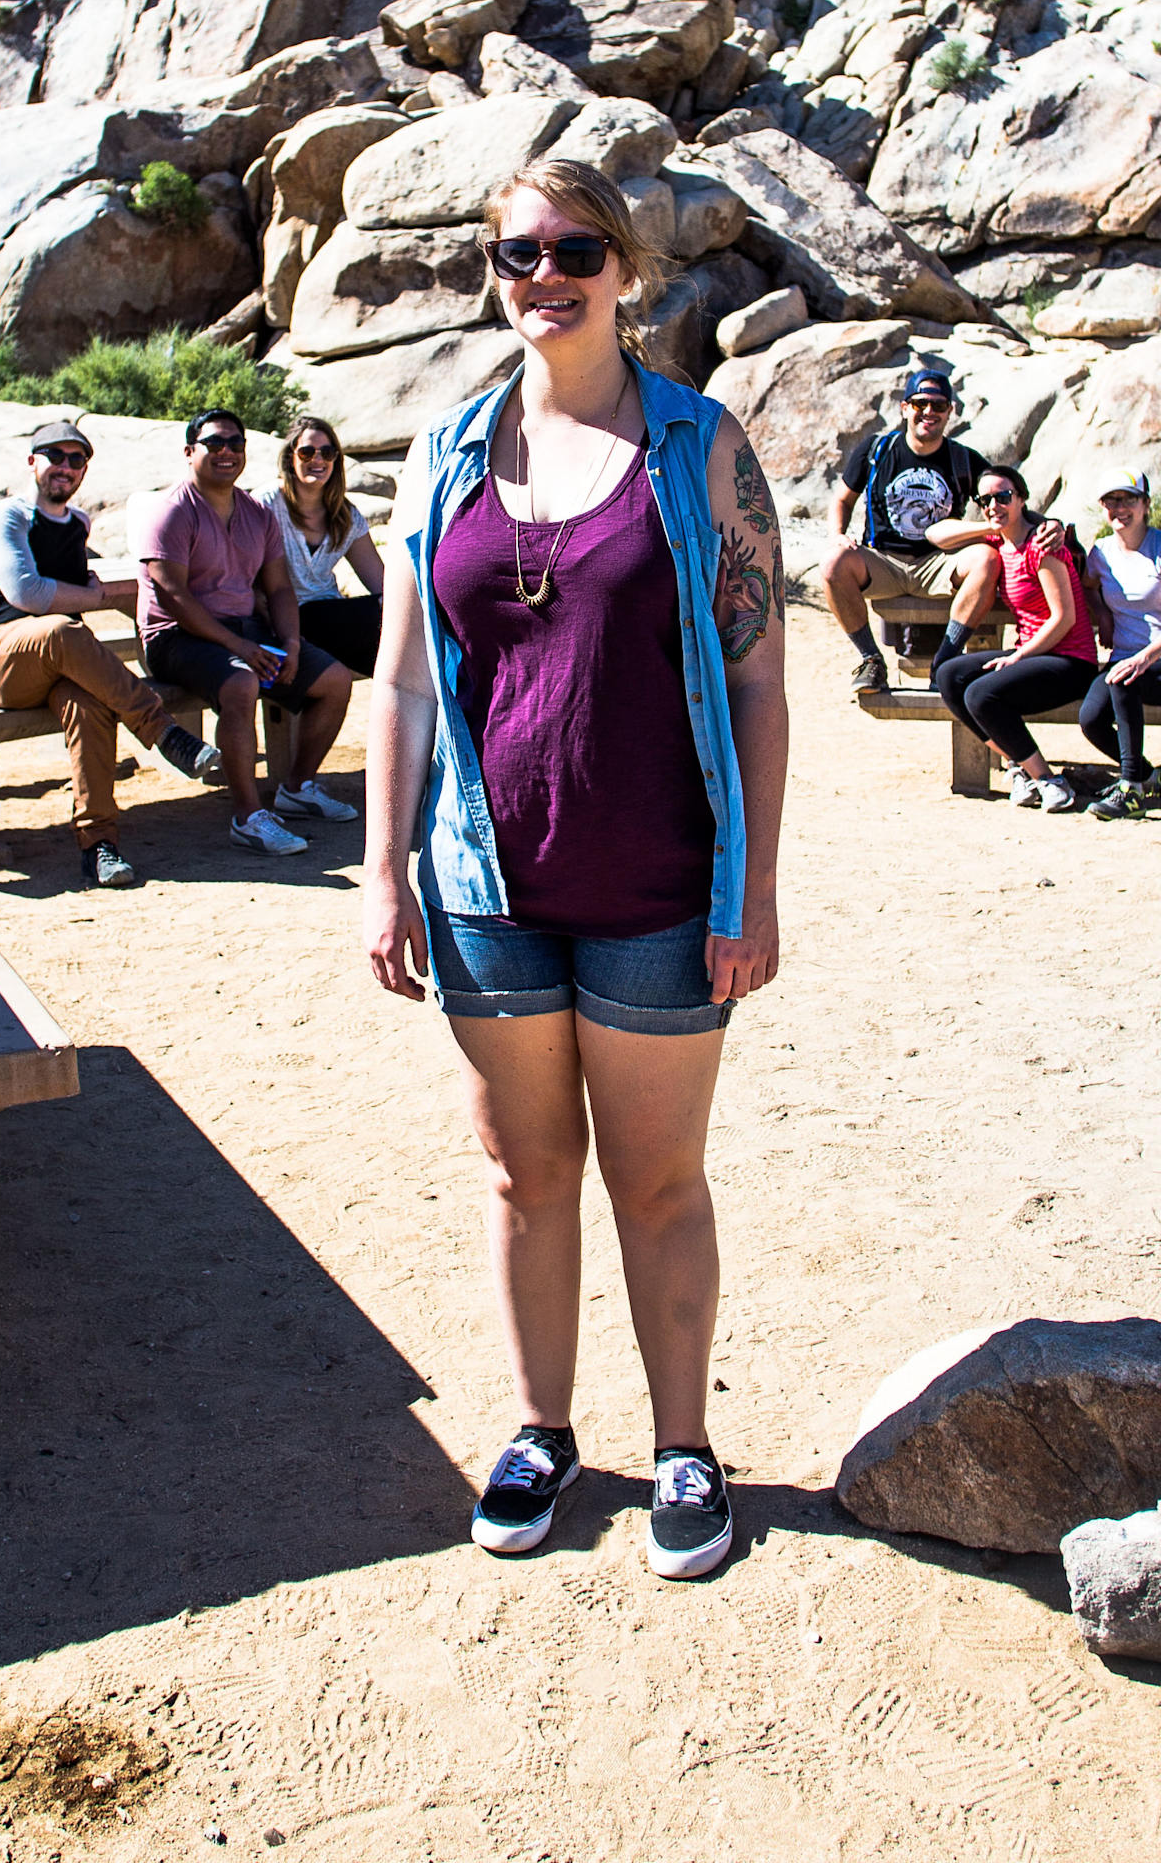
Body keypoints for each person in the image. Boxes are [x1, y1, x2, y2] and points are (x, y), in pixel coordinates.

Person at [362, 149, 788, 1584]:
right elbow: (409, 685)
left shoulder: (702, 448)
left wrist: (754, 888)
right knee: (525, 1176)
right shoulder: (448, 452)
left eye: (571, 253)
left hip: (664, 885)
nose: (544, 279)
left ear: (626, 272)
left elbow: (757, 688)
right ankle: (544, 1430)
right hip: (487, 883)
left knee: (658, 1183)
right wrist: (380, 876)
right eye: (516, 257)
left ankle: (683, 1446)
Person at [0, 417, 221, 887]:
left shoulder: (77, 524)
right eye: (55, 456)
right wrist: (93, 597)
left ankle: (99, 844)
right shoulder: (6, 516)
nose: (65, 467)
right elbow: (29, 593)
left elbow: (73, 588)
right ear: (31, 461)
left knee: (91, 703)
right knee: (61, 629)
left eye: (75, 459)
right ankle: (164, 732)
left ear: (84, 470)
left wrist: (90, 593)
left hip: (57, 664)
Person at [139, 409, 361, 854]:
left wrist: (292, 644)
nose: (226, 452)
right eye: (214, 443)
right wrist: (239, 645)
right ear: (189, 452)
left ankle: (296, 787)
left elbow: (279, 588)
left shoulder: (255, 514)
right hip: (175, 637)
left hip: (245, 630)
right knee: (241, 682)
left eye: (235, 444)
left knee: (334, 681)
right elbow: (173, 597)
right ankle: (248, 815)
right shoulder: (172, 512)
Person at [927, 464, 1102, 811]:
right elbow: (935, 534)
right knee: (950, 675)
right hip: (1033, 656)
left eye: (1004, 497)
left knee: (981, 693)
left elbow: (1064, 618)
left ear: (1022, 499)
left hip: (1070, 661)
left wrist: (1018, 657)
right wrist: (991, 521)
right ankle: (1021, 766)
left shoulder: (1042, 545)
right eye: (986, 499)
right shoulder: (998, 540)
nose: (994, 505)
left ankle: (1049, 781)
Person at [823, 367, 995, 697]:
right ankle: (870, 659)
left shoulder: (963, 459)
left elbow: (1004, 497)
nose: (928, 412)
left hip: (939, 561)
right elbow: (842, 499)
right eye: (920, 403)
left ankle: (945, 660)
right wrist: (838, 534)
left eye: (939, 405)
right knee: (832, 563)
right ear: (905, 408)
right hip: (882, 560)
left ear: (950, 412)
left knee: (986, 559)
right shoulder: (877, 451)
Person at [1072, 471, 1161, 821]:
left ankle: (1131, 788)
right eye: (1111, 501)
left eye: (1129, 499)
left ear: (1145, 505)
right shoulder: (1101, 552)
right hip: (1125, 663)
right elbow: (1087, 586)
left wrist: (1142, 659)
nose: (1120, 509)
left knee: (1121, 679)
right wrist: (1102, 614)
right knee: (1090, 719)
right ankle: (1157, 778)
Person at [259, 415, 386, 679]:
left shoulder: (345, 515)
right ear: (290, 459)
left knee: (393, 617)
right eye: (307, 452)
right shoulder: (267, 504)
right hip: (284, 620)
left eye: (327, 453)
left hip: (331, 618)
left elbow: (381, 582)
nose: (318, 460)